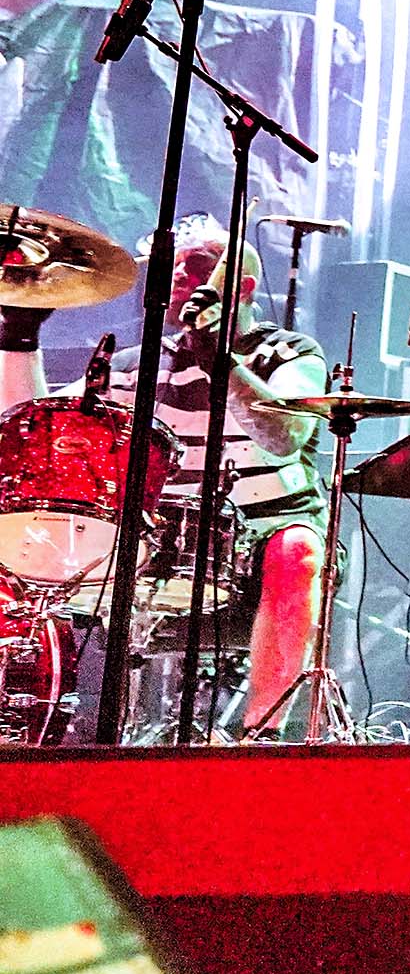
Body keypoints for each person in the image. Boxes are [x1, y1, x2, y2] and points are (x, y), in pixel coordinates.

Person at [0, 217, 329, 735]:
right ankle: (34, 722)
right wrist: (20, 338)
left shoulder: (288, 353)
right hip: (159, 532)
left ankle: (261, 734)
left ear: (240, 287)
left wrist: (219, 361)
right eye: (170, 267)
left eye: (195, 267)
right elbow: (33, 428)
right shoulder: (136, 364)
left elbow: (285, 436)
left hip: (263, 532)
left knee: (297, 553)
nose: (177, 276)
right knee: (26, 542)